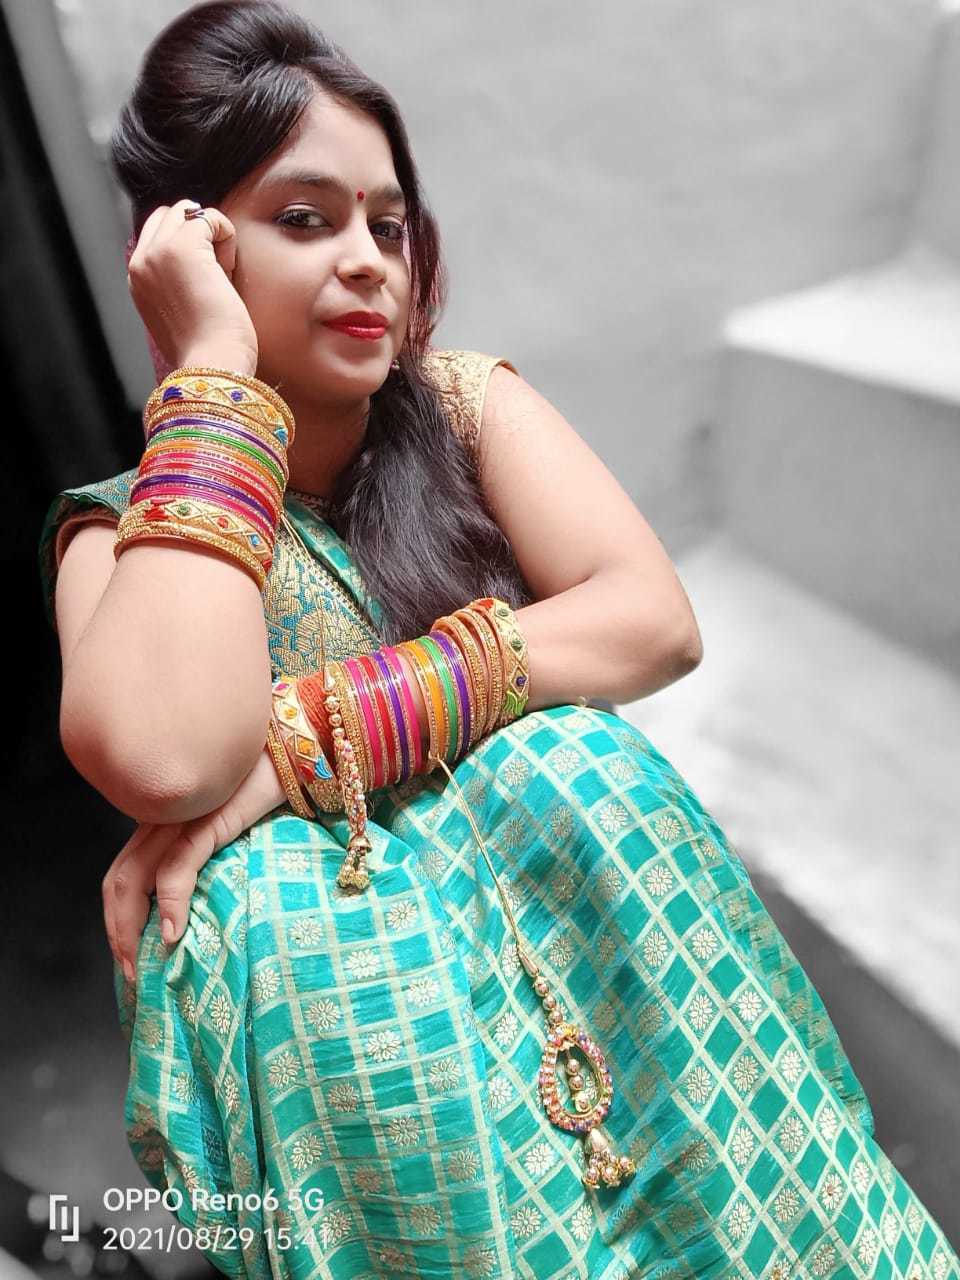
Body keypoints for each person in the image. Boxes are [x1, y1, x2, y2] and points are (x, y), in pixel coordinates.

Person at [36, 3, 959, 1278]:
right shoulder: (122, 535)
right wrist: (213, 377)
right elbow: (165, 752)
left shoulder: (467, 411)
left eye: (388, 224)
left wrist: (309, 739)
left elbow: (650, 620)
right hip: (415, 1161)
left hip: (657, 1065)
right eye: (305, 218)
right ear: (184, 246)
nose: (369, 261)